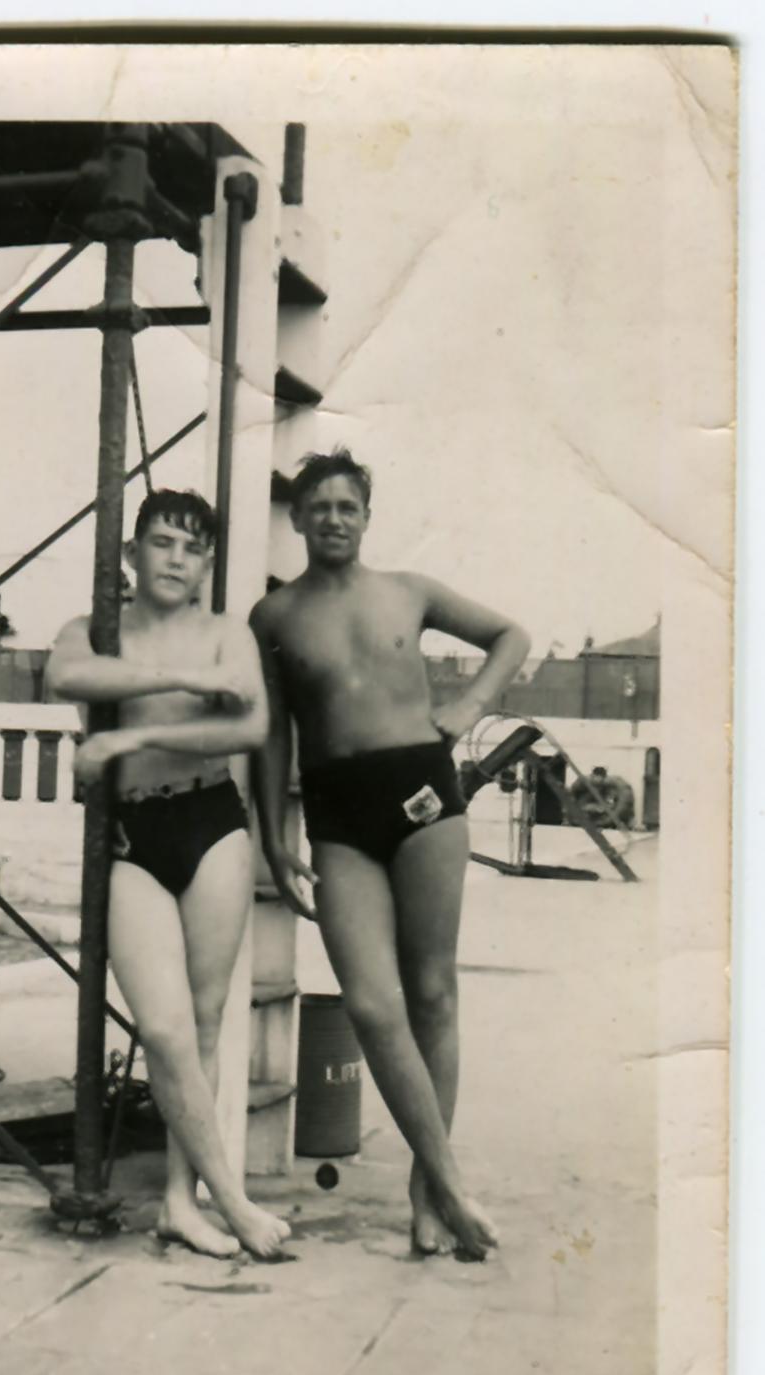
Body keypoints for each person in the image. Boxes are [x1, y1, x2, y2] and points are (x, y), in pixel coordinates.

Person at [250, 449, 530, 1260]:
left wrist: (470, 706)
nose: (334, 517)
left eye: (348, 505)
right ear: (296, 519)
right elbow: (273, 735)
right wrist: (276, 832)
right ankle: (450, 1183)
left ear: (367, 517)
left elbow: (511, 635)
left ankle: (426, 1190)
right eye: (318, 506)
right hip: (337, 811)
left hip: (423, 795)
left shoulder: (410, 590)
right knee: (372, 1005)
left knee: (433, 991)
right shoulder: (274, 619)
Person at [47, 490, 290, 1261]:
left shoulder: (227, 632)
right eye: (161, 543)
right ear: (132, 554)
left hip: (209, 820)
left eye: (191, 548)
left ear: (208, 562)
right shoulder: (90, 631)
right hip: (130, 837)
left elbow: (250, 724)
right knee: (162, 1025)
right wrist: (177, 677)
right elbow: (68, 677)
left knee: (208, 1019)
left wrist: (121, 744)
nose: (176, 559)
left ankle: (184, 1202)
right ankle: (234, 1199)